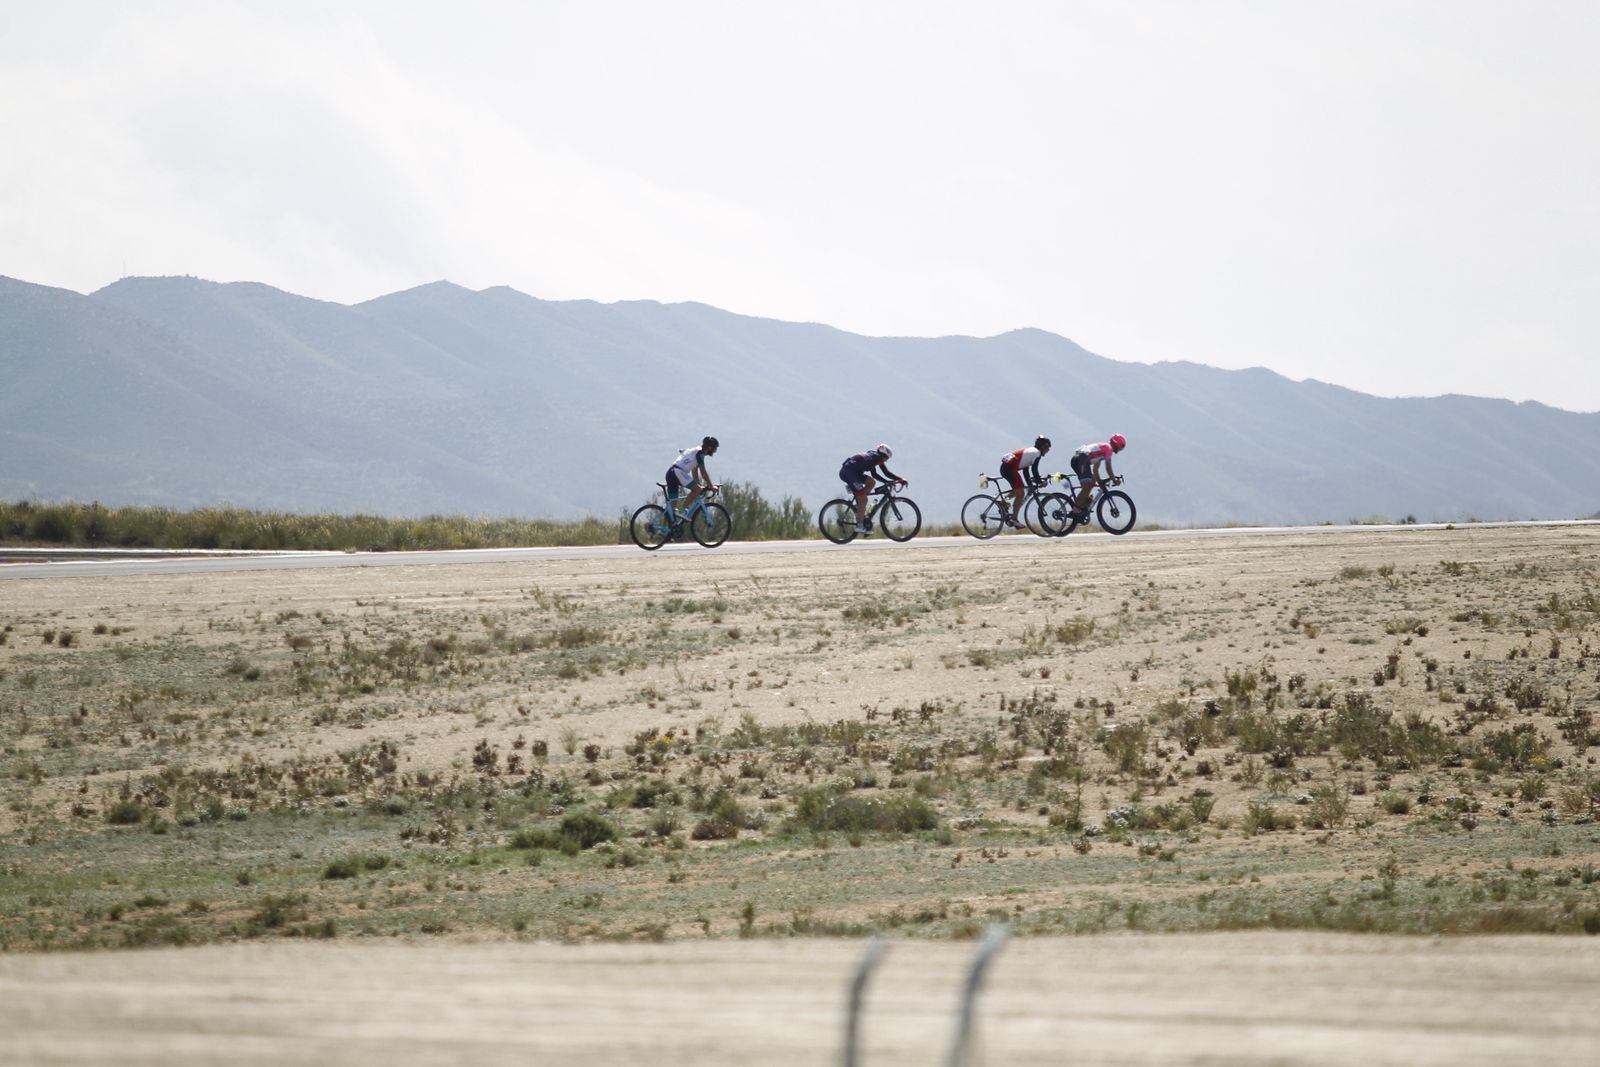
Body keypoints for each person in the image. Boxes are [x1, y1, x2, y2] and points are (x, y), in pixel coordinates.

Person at [838, 444, 906, 535]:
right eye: (886, 458)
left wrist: (887, 482)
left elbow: (874, 475)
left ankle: (859, 505)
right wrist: (900, 479)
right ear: (883, 455)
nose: (885, 461)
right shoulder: (876, 458)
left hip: (854, 472)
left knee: (871, 482)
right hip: (849, 473)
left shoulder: (873, 457)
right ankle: (860, 526)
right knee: (864, 500)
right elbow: (886, 472)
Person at [1069, 433, 1126, 520]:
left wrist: (1100, 482)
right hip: (1081, 460)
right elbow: (1108, 467)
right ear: (1117, 444)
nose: (1119, 450)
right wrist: (1114, 480)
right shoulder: (1108, 449)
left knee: (1092, 482)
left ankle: (1082, 504)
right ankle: (1074, 511)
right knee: (1087, 487)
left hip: (1080, 460)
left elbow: (1095, 470)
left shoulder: (1102, 451)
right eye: (1120, 448)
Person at [999, 436, 1052, 528]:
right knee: (1021, 493)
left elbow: (1026, 471)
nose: (1048, 451)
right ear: (1043, 447)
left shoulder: (1031, 451)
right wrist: (1040, 482)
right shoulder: (1037, 453)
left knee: (1019, 491)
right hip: (1010, 468)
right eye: (1048, 448)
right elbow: (1034, 470)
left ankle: (1003, 501)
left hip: (1008, 467)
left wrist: (1030, 485)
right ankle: (1014, 519)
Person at [666, 436, 719, 526]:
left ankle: (663, 530)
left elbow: (694, 470)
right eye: (715, 448)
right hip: (677, 472)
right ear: (709, 447)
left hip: (671, 473)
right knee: (696, 490)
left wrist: (698, 485)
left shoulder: (696, 451)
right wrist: (711, 486)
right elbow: (703, 472)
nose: (715, 451)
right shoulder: (700, 454)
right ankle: (682, 511)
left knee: (673, 511)